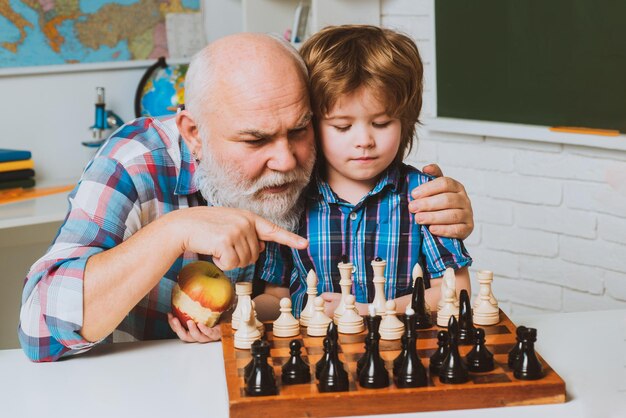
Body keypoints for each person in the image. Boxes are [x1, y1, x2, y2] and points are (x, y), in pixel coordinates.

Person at [19, 33, 474, 362]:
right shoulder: (134, 162)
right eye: (255, 141)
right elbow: (38, 331)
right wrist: (171, 233)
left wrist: (446, 203)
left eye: (300, 130)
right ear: (194, 134)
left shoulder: (324, 157)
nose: (285, 160)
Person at [258, 25, 472, 317]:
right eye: (342, 127)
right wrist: (234, 310)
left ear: (404, 121)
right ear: (310, 124)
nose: (364, 141)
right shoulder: (289, 197)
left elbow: (456, 291)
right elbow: (275, 297)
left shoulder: (425, 196)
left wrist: (371, 310)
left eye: (382, 123)